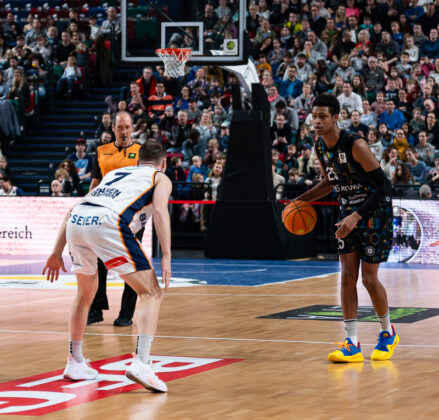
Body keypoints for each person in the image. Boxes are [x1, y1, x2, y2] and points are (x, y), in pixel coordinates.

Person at [42, 140, 171, 393]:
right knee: (152, 292)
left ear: (136, 160)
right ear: (163, 163)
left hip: (78, 222)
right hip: (109, 223)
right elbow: (159, 211)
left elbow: (72, 210)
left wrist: (56, 251)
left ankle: (75, 361)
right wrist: (166, 254)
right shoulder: (160, 178)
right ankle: (142, 363)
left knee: (85, 293)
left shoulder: (114, 174)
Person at [284, 93, 398, 363]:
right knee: (347, 275)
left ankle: (387, 333)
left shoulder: (355, 144)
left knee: (369, 279)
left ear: (337, 118)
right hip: (348, 211)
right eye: (315, 116)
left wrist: (357, 216)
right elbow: (329, 183)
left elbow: (384, 186)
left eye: (323, 116)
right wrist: (298, 202)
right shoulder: (319, 146)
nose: (317, 121)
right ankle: (351, 342)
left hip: (374, 212)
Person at [87, 112, 142, 326]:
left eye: (127, 127)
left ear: (132, 128)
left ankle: (126, 314)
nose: (124, 131)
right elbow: (95, 184)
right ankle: (96, 309)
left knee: (130, 264)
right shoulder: (101, 152)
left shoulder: (141, 152)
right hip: (104, 215)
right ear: (113, 129)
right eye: (120, 127)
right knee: (97, 262)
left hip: (132, 216)